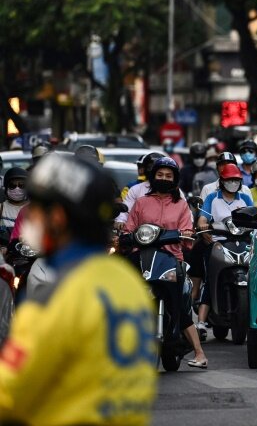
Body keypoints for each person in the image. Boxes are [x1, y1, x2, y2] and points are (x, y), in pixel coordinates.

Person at [0, 153, 157, 424]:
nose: (30, 219)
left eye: (37, 210)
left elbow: (10, 390)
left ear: (58, 217)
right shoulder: (129, 282)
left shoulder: (57, 294)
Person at [124, 157, 208, 369]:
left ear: (175, 179)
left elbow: (187, 234)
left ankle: (199, 353)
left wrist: (187, 235)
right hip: (141, 257)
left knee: (179, 303)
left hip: (170, 259)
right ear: (153, 177)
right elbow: (129, 228)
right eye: (160, 175)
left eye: (168, 176)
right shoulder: (141, 202)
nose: (163, 178)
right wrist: (125, 236)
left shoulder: (181, 205)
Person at [195, 163, 254, 330]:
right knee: (210, 278)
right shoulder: (212, 198)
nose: (233, 183)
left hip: (242, 242)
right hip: (218, 242)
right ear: (222, 181)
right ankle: (200, 322)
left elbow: (254, 219)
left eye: (236, 180)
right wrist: (203, 226)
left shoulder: (245, 199)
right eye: (229, 180)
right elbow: (202, 220)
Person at [114, 152, 166, 230]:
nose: (162, 177)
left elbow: (185, 214)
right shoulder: (135, 189)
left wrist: (187, 230)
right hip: (139, 234)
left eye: (167, 175)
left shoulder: (176, 191)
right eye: (158, 173)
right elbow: (126, 209)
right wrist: (120, 221)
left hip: (168, 235)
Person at [0, 168, 29, 252]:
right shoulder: (1, 208)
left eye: (22, 185)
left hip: (30, 252)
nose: (17, 189)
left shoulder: (33, 208)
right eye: (12, 185)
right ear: (6, 187)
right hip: (6, 255)